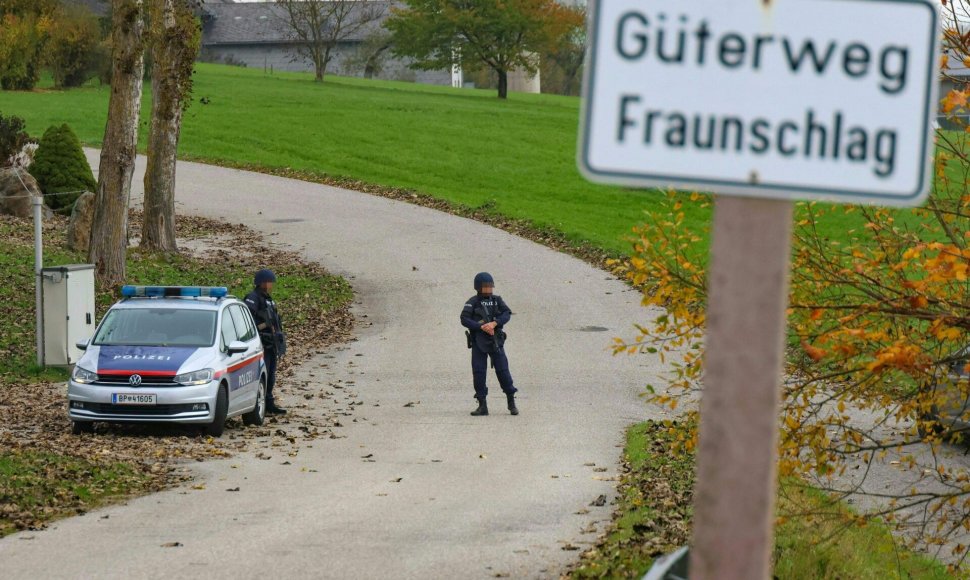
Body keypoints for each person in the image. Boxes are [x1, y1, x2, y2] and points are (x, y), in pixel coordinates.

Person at [460, 272, 519, 416]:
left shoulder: (497, 300)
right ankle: (482, 405)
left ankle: (511, 402)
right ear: (478, 287)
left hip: (495, 341)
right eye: (485, 286)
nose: (488, 289)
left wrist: (495, 323)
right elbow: (464, 319)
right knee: (479, 372)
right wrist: (480, 326)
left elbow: (506, 313)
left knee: (503, 371)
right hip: (478, 341)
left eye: (490, 286)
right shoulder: (472, 302)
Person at [245, 269, 287, 415]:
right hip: (261, 343)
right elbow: (248, 323)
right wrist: (264, 325)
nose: (271, 285)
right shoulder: (253, 298)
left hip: (272, 344)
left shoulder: (269, 299)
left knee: (271, 374)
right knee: (263, 374)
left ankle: (269, 402)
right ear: (262, 283)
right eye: (269, 282)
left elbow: (275, 321)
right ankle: (259, 403)